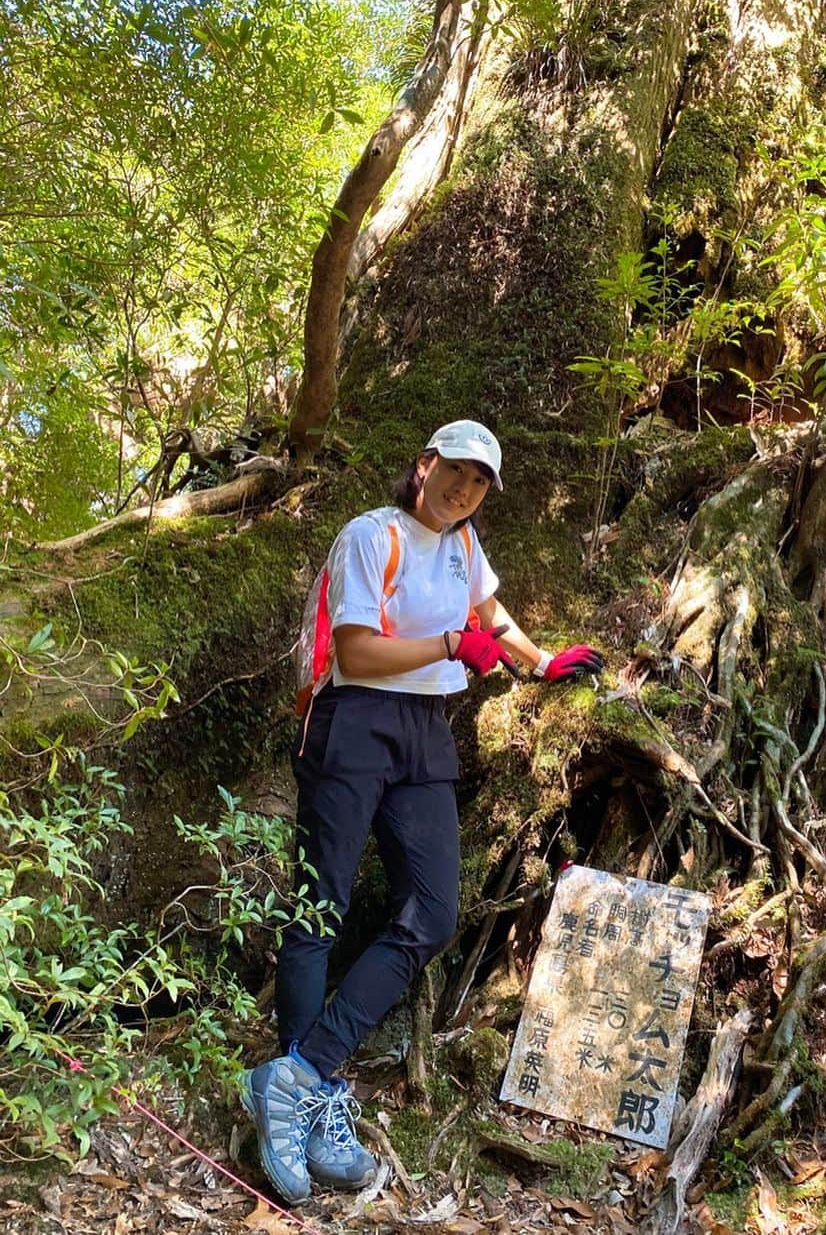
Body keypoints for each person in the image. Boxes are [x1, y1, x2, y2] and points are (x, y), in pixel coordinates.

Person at [239, 420, 603, 1204]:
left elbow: (492, 615)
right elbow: (359, 650)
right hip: (352, 718)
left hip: (423, 735)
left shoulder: (464, 547)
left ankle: (296, 1077)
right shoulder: (372, 537)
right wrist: (447, 644)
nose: (464, 490)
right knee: (319, 911)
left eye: (479, 483)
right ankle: (306, 1101)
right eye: (456, 473)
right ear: (425, 464)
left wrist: (539, 661)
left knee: (434, 911)